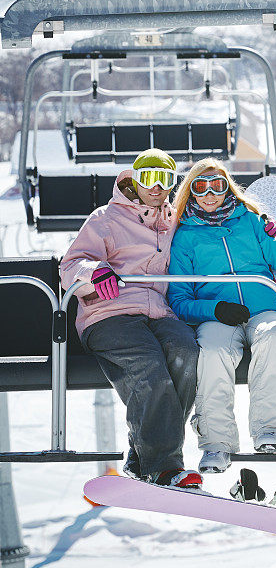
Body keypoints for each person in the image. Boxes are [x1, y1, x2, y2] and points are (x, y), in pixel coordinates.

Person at [167, 159, 276, 473]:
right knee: (212, 352)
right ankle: (216, 443)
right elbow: (179, 298)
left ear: (228, 188)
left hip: (263, 309)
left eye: (218, 185)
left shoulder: (251, 223)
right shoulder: (185, 237)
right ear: (191, 192)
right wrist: (214, 309)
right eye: (201, 187)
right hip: (217, 317)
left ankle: (267, 430)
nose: (210, 194)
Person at [60, 148, 201, 489]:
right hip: (109, 314)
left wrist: (268, 227)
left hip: (158, 312)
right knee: (149, 366)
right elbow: (70, 265)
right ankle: (164, 465)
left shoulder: (172, 219)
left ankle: (143, 456)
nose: (156, 187)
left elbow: (219, 223)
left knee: (186, 354)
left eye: (165, 180)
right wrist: (96, 271)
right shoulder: (105, 218)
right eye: (149, 178)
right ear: (133, 180)